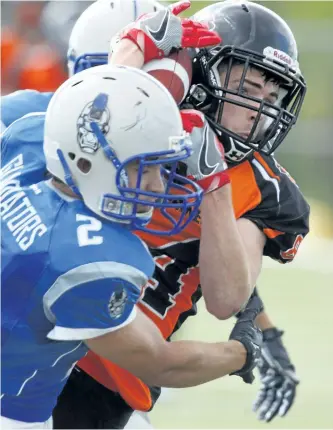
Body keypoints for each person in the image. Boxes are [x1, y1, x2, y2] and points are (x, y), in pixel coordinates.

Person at [1, 0, 305, 426]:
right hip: (82, 316)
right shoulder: (147, 119)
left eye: (273, 96)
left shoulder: (263, 184)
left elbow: (228, 296)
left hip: (112, 369)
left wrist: (213, 186)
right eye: (249, 90)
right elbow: (92, 119)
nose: (260, 110)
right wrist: (247, 348)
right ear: (201, 74)